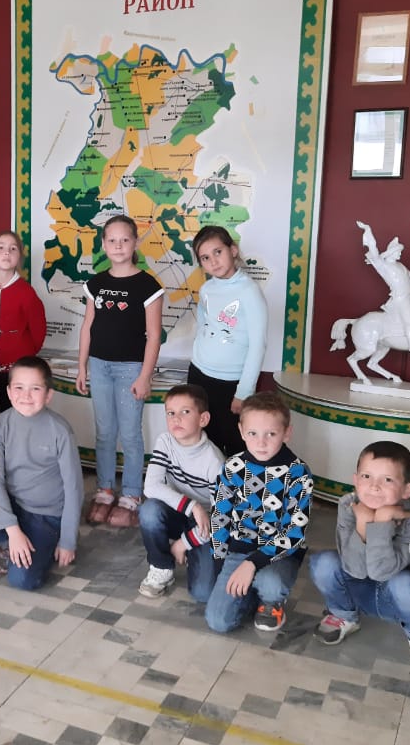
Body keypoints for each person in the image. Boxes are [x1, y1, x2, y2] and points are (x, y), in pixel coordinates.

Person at [0, 356, 82, 590]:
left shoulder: (60, 431)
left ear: (48, 395)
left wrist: (68, 540)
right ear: (9, 392)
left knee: (22, 580)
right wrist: (12, 532)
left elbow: (74, 489)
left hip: (45, 516)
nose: (26, 396)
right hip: (11, 505)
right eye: (19, 388)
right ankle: (7, 540)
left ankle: (40, 541)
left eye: (35, 389)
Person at [308, 441, 410, 669]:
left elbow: (382, 572)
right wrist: (362, 523)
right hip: (360, 585)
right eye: (366, 476)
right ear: (355, 480)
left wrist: (381, 521)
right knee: (323, 563)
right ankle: (344, 614)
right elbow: (354, 569)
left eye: (387, 480)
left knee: (405, 582)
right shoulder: (349, 505)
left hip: (397, 599)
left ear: (407, 490)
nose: (374, 486)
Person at [76, 215, 163, 527]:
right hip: (99, 366)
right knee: (105, 432)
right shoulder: (96, 284)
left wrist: (144, 376)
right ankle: (104, 489)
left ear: (135, 243)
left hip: (130, 369)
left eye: (125, 239)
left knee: (129, 433)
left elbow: (154, 335)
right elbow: (88, 326)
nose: (118, 245)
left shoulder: (148, 286)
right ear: (103, 244)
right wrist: (82, 366)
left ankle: (131, 494)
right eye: (112, 240)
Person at [206, 391, 312, 633]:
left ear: (287, 433)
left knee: (271, 582)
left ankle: (271, 601)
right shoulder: (233, 467)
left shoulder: (298, 472)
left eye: (271, 434)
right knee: (218, 621)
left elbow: (294, 533)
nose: (261, 443)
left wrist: (252, 563)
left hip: (279, 554)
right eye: (253, 433)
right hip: (238, 550)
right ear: (242, 431)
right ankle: (250, 592)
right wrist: (220, 562)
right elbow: (220, 516)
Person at [136, 384, 224, 599]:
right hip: (181, 512)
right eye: (170, 413)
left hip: (206, 524)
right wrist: (193, 506)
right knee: (149, 510)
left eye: (185, 412)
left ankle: (191, 549)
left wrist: (182, 544)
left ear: (203, 419)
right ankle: (161, 567)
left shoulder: (214, 462)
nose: (176, 419)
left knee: (203, 593)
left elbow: (220, 521)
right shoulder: (165, 441)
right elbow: (151, 486)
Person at [187, 225, 267, 457]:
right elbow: (204, 325)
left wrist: (244, 391)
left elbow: (258, 345)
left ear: (233, 250)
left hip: (231, 383)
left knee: (233, 445)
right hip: (199, 375)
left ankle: (230, 483)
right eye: (205, 257)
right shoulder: (206, 289)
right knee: (202, 441)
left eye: (218, 252)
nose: (213, 261)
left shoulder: (249, 291)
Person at [0, 230, 47, 403]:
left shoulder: (27, 293)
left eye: (13, 249)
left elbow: (38, 331)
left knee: (17, 409)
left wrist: (22, 352)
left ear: (19, 258)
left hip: (19, 371)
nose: (7, 252)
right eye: (1, 248)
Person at [357, 220, 410, 357]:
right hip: (400, 300)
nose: (400, 254)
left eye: (400, 252)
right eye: (398, 252)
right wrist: (368, 230)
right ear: (391, 253)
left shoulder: (401, 266)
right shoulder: (383, 266)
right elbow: (374, 250)